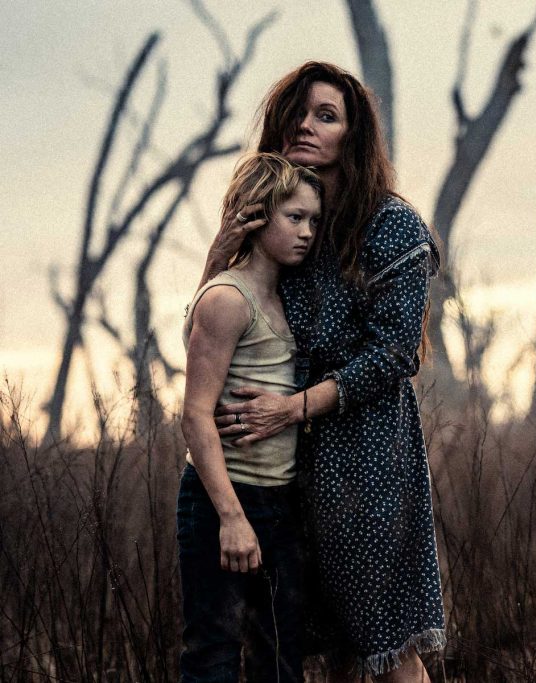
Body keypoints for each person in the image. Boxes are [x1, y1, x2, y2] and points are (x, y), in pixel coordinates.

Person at [199, 62, 445, 682]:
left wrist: (295, 406)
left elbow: (395, 355)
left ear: (351, 136)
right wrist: (220, 249)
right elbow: (211, 329)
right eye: (298, 113)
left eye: (326, 116)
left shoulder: (390, 225)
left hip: (366, 457)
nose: (306, 126)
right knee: (319, 641)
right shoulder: (282, 221)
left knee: (382, 640)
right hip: (283, 465)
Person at [178, 152, 322, 682]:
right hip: (222, 499)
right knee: (212, 655)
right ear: (259, 215)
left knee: (280, 660)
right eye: (294, 218)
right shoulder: (227, 298)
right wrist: (232, 520)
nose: (307, 232)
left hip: (279, 502)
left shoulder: (288, 296)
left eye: (313, 220)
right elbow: (195, 417)